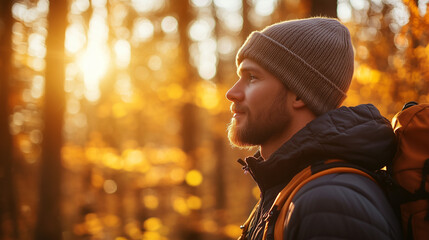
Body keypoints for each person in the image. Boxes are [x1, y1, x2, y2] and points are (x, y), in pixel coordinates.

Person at [226, 17, 402, 240]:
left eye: (252, 77)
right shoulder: (286, 191)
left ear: (299, 94)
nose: (231, 92)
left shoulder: (328, 203)